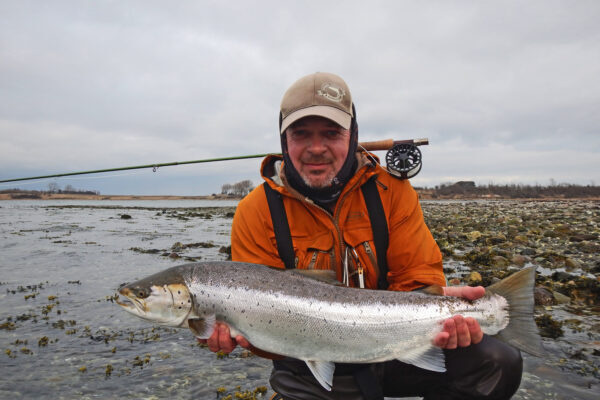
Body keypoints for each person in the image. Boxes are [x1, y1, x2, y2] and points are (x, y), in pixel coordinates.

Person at [200, 72, 523, 399]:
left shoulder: (391, 191)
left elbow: (417, 276)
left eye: (331, 133)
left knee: (498, 362)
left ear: (353, 135)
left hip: (395, 343)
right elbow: (263, 329)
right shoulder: (255, 210)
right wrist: (243, 337)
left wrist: (438, 308)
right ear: (284, 140)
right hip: (306, 361)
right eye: (301, 134)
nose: (316, 148)